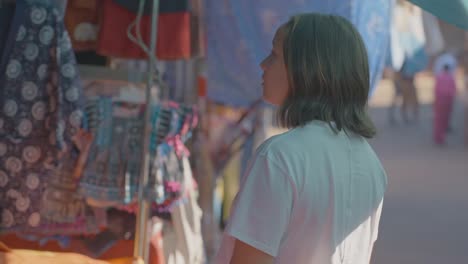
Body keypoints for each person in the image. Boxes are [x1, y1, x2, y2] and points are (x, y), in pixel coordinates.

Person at [214, 13, 387, 264]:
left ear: (304, 70)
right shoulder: (372, 165)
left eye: (274, 55)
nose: (263, 64)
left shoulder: (279, 157)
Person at [433, 64, 457, 145]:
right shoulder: (451, 78)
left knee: (439, 119)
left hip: (440, 101)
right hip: (447, 101)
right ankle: (441, 137)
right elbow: (453, 90)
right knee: (444, 119)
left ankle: (438, 137)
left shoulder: (439, 77)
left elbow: (436, 90)